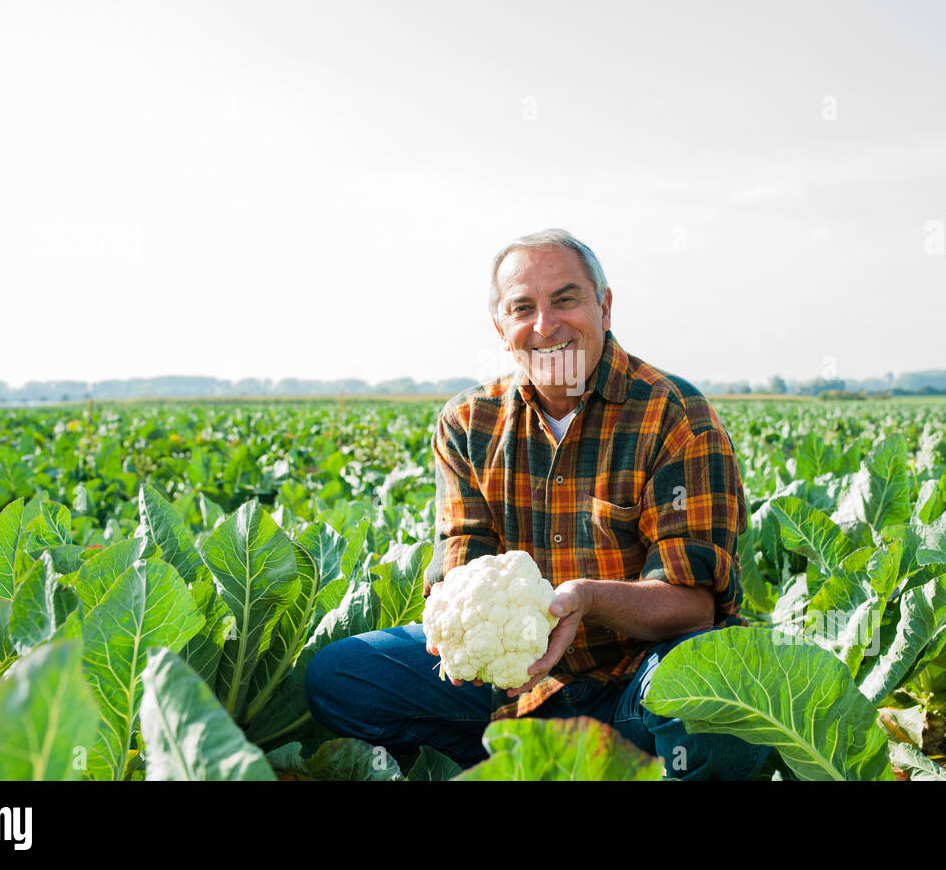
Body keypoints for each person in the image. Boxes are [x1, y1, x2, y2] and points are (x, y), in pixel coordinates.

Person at [305, 228, 770, 779]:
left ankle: (567, 758)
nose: (545, 326)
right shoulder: (468, 422)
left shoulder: (676, 416)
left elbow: (694, 605)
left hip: (639, 683)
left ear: (605, 306)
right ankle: (544, 758)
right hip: (515, 688)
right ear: (502, 328)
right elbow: (462, 561)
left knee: (721, 710)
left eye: (565, 298)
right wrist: (457, 626)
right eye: (523, 307)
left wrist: (588, 600)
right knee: (339, 676)